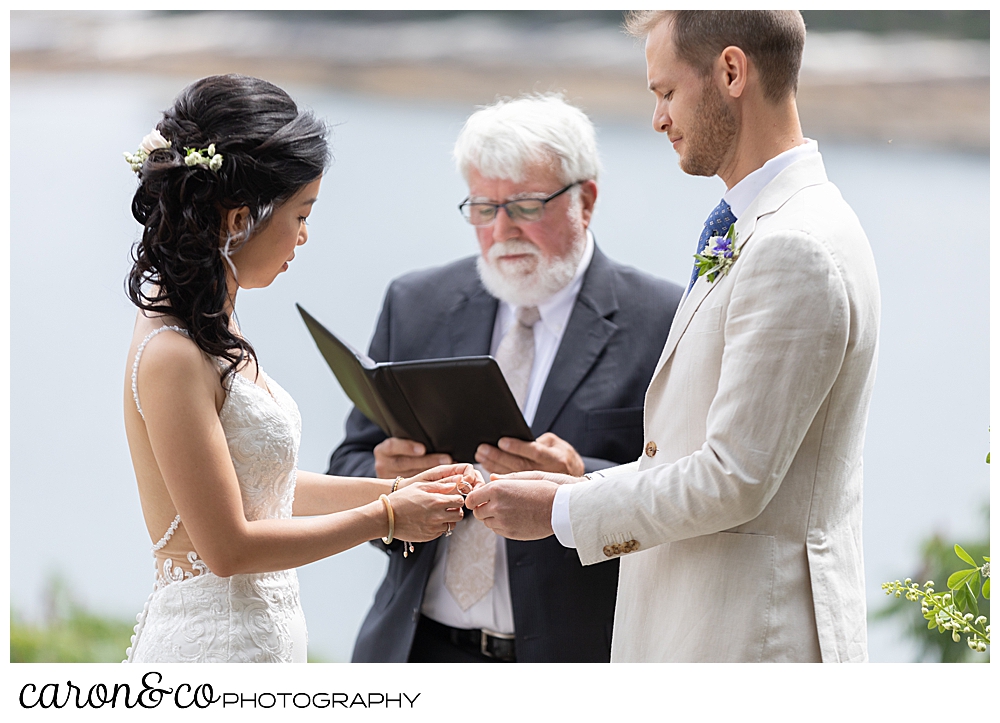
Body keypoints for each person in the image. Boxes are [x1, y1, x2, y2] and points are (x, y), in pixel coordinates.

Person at [467, 10, 881, 663]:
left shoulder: (793, 245)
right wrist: (573, 488)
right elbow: (691, 449)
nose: (658, 118)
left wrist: (560, 513)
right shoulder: (765, 225)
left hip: (749, 643)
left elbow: (733, 477)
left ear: (732, 71)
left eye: (665, 92)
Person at [122, 74, 473, 664]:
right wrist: (385, 516)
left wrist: (396, 487)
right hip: (213, 660)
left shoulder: (211, 324)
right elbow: (228, 547)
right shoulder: (172, 353)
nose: (306, 236)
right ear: (239, 219)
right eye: (301, 213)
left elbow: (263, 489)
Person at [329, 94, 684, 663]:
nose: (501, 231)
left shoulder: (666, 319)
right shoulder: (416, 303)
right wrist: (388, 481)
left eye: (524, 205)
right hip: (414, 651)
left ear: (585, 200)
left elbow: (689, 492)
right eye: (483, 208)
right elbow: (347, 465)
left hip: (574, 663)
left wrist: (580, 482)